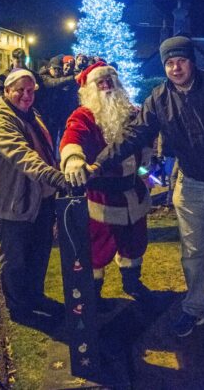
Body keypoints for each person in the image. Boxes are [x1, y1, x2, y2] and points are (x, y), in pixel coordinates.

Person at [67, 36, 204, 343]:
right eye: (169, 63)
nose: (175, 68)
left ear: (191, 61)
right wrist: (98, 164)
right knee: (193, 253)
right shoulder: (159, 98)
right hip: (191, 184)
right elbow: (132, 135)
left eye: (180, 61)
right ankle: (195, 308)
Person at [60, 62, 152, 310]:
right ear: (90, 90)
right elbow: (72, 137)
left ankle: (132, 283)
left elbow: (145, 143)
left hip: (133, 192)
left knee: (134, 243)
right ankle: (94, 294)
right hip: (101, 196)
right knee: (96, 249)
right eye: (100, 84)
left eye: (110, 83)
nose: (107, 89)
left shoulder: (132, 113)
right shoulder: (83, 116)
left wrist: (145, 168)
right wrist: (73, 159)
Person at [0, 68, 68, 325]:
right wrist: (56, 178)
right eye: (20, 90)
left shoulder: (31, 114)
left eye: (30, 91)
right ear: (7, 91)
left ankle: (35, 297)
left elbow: (46, 150)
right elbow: (23, 156)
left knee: (39, 253)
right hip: (14, 200)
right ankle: (19, 310)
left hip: (39, 199)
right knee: (16, 258)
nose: (26, 95)